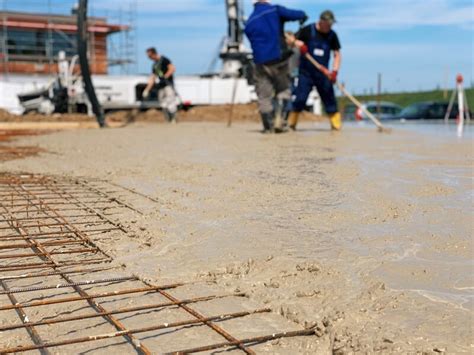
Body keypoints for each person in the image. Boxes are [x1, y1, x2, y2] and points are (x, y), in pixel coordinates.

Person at [244, 0, 307, 133]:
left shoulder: (249, 23)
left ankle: (268, 127)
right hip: (279, 60)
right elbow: (296, 14)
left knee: (264, 96)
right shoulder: (275, 11)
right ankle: (281, 122)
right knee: (284, 90)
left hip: (260, 63)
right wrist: (303, 15)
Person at [287, 10, 342, 131]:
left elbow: (337, 54)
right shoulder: (308, 30)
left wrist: (335, 71)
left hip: (323, 74)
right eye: (328, 24)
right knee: (300, 98)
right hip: (306, 72)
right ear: (321, 22)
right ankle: (291, 124)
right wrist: (299, 44)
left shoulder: (332, 36)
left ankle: (336, 125)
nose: (330, 27)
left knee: (330, 100)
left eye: (331, 25)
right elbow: (290, 40)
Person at [143, 47, 178, 123]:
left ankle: (173, 118)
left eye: (149, 56)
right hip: (160, 85)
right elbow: (152, 77)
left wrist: (165, 76)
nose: (149, 58)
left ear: (154, 54)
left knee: (170, 101)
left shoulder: (164, 60)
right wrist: (147, 89)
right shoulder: (154, 65)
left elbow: (172, 69)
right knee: (163, 102)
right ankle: (167, 118)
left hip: (168, 84)